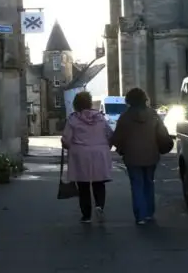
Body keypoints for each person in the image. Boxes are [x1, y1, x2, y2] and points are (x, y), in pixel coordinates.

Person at [111, 87, 173, 225]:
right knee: (149, 183)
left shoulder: (125, 117)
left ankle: (140, 215)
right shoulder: (153, 115)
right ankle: (149, 213)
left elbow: (117, 138)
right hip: (151, 155)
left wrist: (121, 149)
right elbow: (162, 134)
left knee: (137, 184)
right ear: (144, 99)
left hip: (132, 157)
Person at [61, 90, 113, 223]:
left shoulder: (73, 119)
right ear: (90, 103)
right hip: (99, 153)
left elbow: (66, 139)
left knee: (83, 185)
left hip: (81, 154)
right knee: (99, 182)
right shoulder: (101, 118)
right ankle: (99, 205)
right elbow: (110, 135)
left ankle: (86, 215)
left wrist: (67, 145)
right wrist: (107, 146)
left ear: (76, 104)